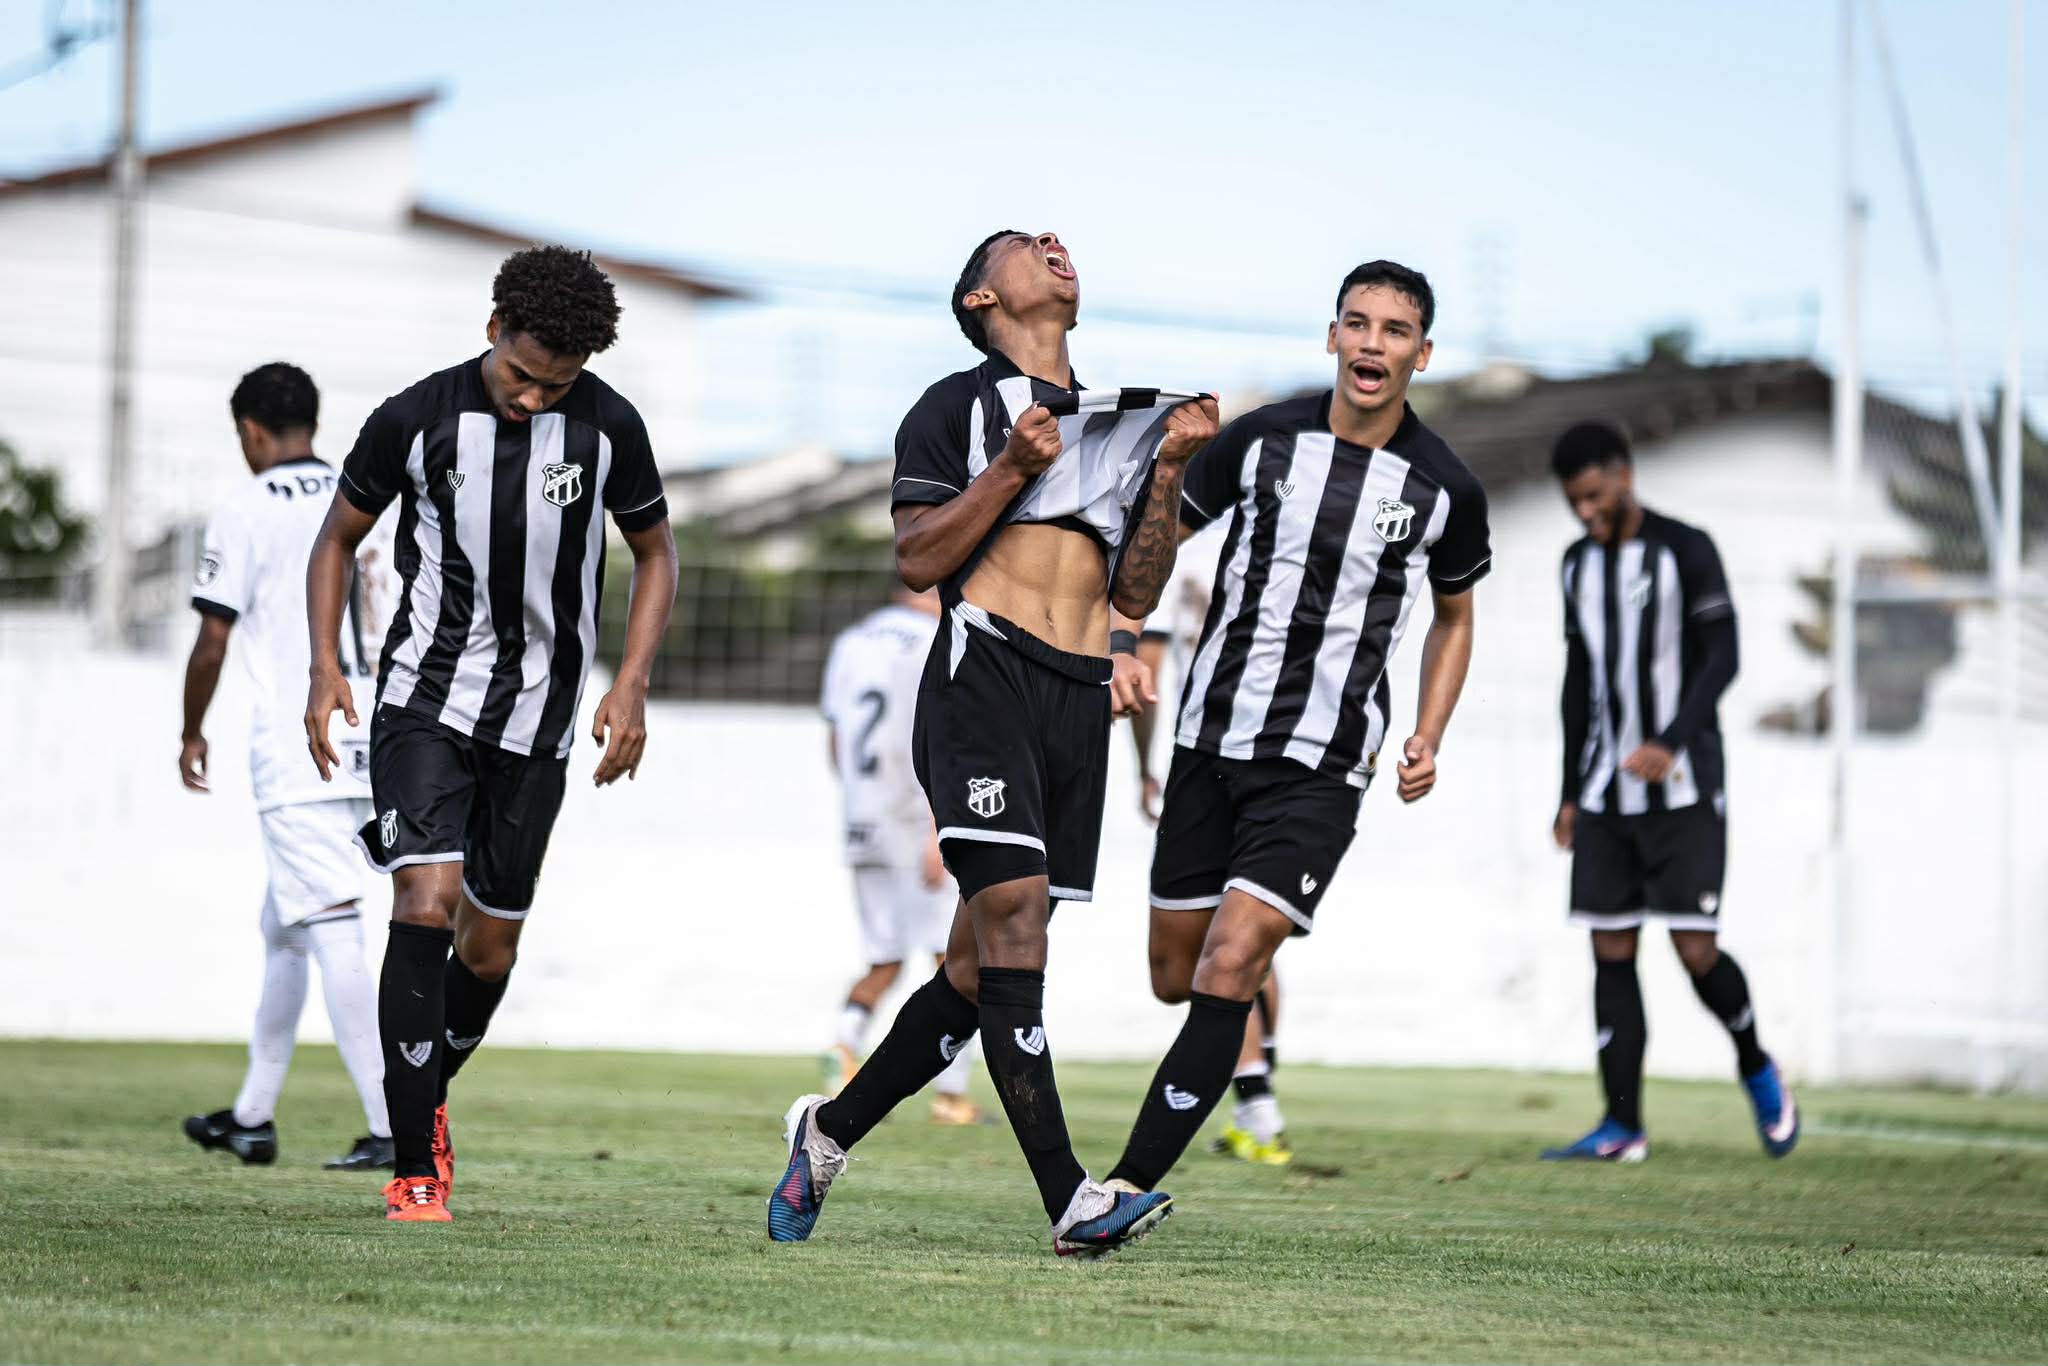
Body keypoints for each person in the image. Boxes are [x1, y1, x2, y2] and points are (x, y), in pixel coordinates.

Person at [767, 229, 1218, 1258]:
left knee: (976, 971)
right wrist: (1012, 467)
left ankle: (827, 1131)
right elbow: (920, 554)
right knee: (1014, 922)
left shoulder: (1118, 424)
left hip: (1077, 696)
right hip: (984, 679)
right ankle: (1071, 1200)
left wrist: (1173, 470)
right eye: (1027, 245)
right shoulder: (953, 407)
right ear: (982, 298)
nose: (1056, 246)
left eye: (1059, 241)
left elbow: (1134, 591)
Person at [304, 246, 680, 1222]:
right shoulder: (414, 417)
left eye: (553, 386)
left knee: (489, 952)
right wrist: (325, 668)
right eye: (519, 376)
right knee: (423, 901)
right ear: (490, 330)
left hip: (540, 724)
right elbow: (336, 537)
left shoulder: (608, 428)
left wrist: (630, 683)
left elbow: (654, 552)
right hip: (421, 705)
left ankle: (418, 1107)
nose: (529, 399)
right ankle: (415, 1161)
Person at [1101, 260, 1491, 1200]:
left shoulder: (1444, 488)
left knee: (1233, 960)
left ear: (1422, 354)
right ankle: (1234, 1081)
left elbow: (1455, 618)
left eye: (1395, 331)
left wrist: (1429, 731)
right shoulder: (1263, 438)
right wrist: (1120, 635)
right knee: (1176, 974)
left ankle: (1121, 1190)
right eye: (1357, 324)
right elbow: (1163, 538)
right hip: (1207, 739)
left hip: (1323, 763)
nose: (1372, 343)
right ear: (1332, 337)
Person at [1541, 420, 1798, 1162]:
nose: (1585, 513)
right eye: (1573, 503)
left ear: (1622, 474)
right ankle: (1622, 1126)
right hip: (1602, 793)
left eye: (1593, 496)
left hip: (1685, 788)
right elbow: (1579, 682)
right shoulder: (1574, 566)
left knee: (1694, 950)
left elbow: (1725, 656)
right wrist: (1566, 791)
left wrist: (1671, 741)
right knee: (1610, 947)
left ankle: (1755, 1061)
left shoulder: (1687, 547)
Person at [179, 362, 392, 1172]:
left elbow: (212, 638)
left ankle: (389, 1127)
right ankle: (252, 1116)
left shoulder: (243, 508)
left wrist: (190, 730)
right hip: (370, 733)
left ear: (252, 432)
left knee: (333, 923)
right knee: (284, 926)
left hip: (297, 741)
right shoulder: (361, 490)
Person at [1124, 528, 1291, 1164]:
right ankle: (1259, 1097)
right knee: (1202, 961)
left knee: (1229, 942)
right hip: (1252, 766)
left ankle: (1258, 1106)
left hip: (1225, 766)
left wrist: (1144, 766)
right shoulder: (1277, 534)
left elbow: (1149, 666)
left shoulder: (1174, 548)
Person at [818, 585, 984, 1126]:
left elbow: (837, 740)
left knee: (883, 958)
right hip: (917, 822)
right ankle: (951, 1093)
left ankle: (843, 1048)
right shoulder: (938, 640)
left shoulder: (853, 641)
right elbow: (944, 736)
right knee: (955, 959)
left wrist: (857, 802)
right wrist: (939, 826)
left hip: (861, 817)